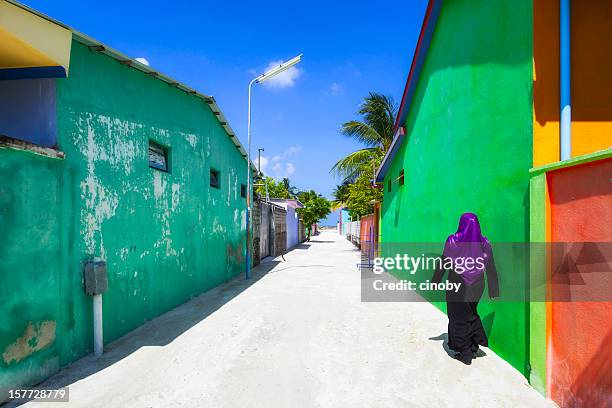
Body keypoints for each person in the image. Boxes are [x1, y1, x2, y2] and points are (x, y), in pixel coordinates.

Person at [432, 213, 499, 365]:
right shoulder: (485, 243)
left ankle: (465, 353)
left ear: (461, 224)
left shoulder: (453, 240)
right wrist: (494, 290)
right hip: (477, 285)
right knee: (470, 313)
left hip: (458, 283)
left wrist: (436, 280)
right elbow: (491, 266)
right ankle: (474, 345)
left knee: (457, 317)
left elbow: (444, 261)